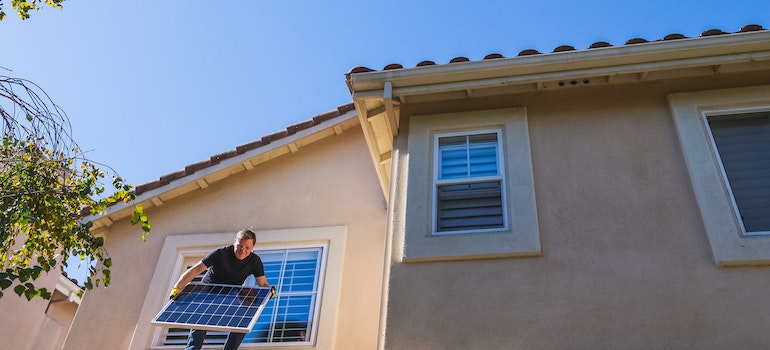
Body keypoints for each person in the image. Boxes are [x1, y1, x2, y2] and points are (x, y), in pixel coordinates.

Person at [169, 228, 275, 350]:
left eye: (247, 248)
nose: (243, 250)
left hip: (230, 294)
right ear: (235, 242)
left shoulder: (254, 261)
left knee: (244, 319)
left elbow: (263, 283)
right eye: (240, 246)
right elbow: (195, 270)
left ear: (252, 248)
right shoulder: (220, 253)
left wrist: (269, 291)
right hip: (208, 292)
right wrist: (177, 288)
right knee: (200, 325)